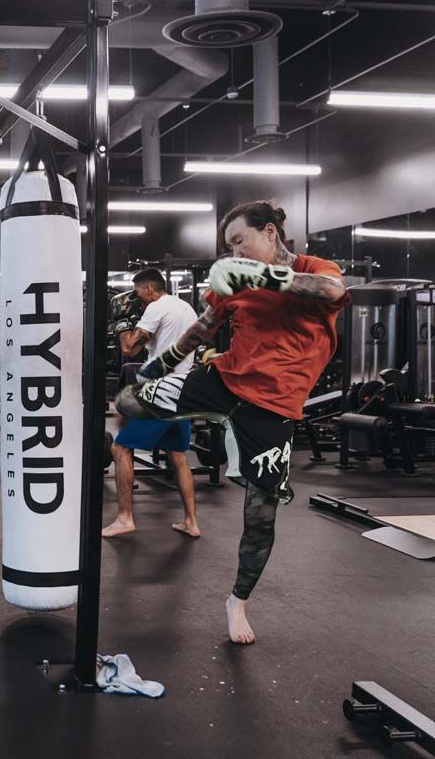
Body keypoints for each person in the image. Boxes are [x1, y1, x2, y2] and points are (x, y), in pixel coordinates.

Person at [116, 201, 349, 644]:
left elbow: (333, 291)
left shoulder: (311, 267)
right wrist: (157, 367)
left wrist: (259, 276)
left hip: (275, 407)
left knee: (261, 514)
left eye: (240, 242)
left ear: (269, 233)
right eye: (229, 247)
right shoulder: (232, 285)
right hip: (223, 381)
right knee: (131, 404)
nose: (234, 253)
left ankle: (237, 601)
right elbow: (201, 330)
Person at [103, 269, 201, 539]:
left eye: (137, 293)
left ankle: (124, 518)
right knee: (179, 457)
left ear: (148, 288)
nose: (137, 299)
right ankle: (191, 521)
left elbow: (129, 349)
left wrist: (122, 322)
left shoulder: (156, 308)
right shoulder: (186, 308)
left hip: (161, 391)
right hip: (182, 391)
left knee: (120, 448)